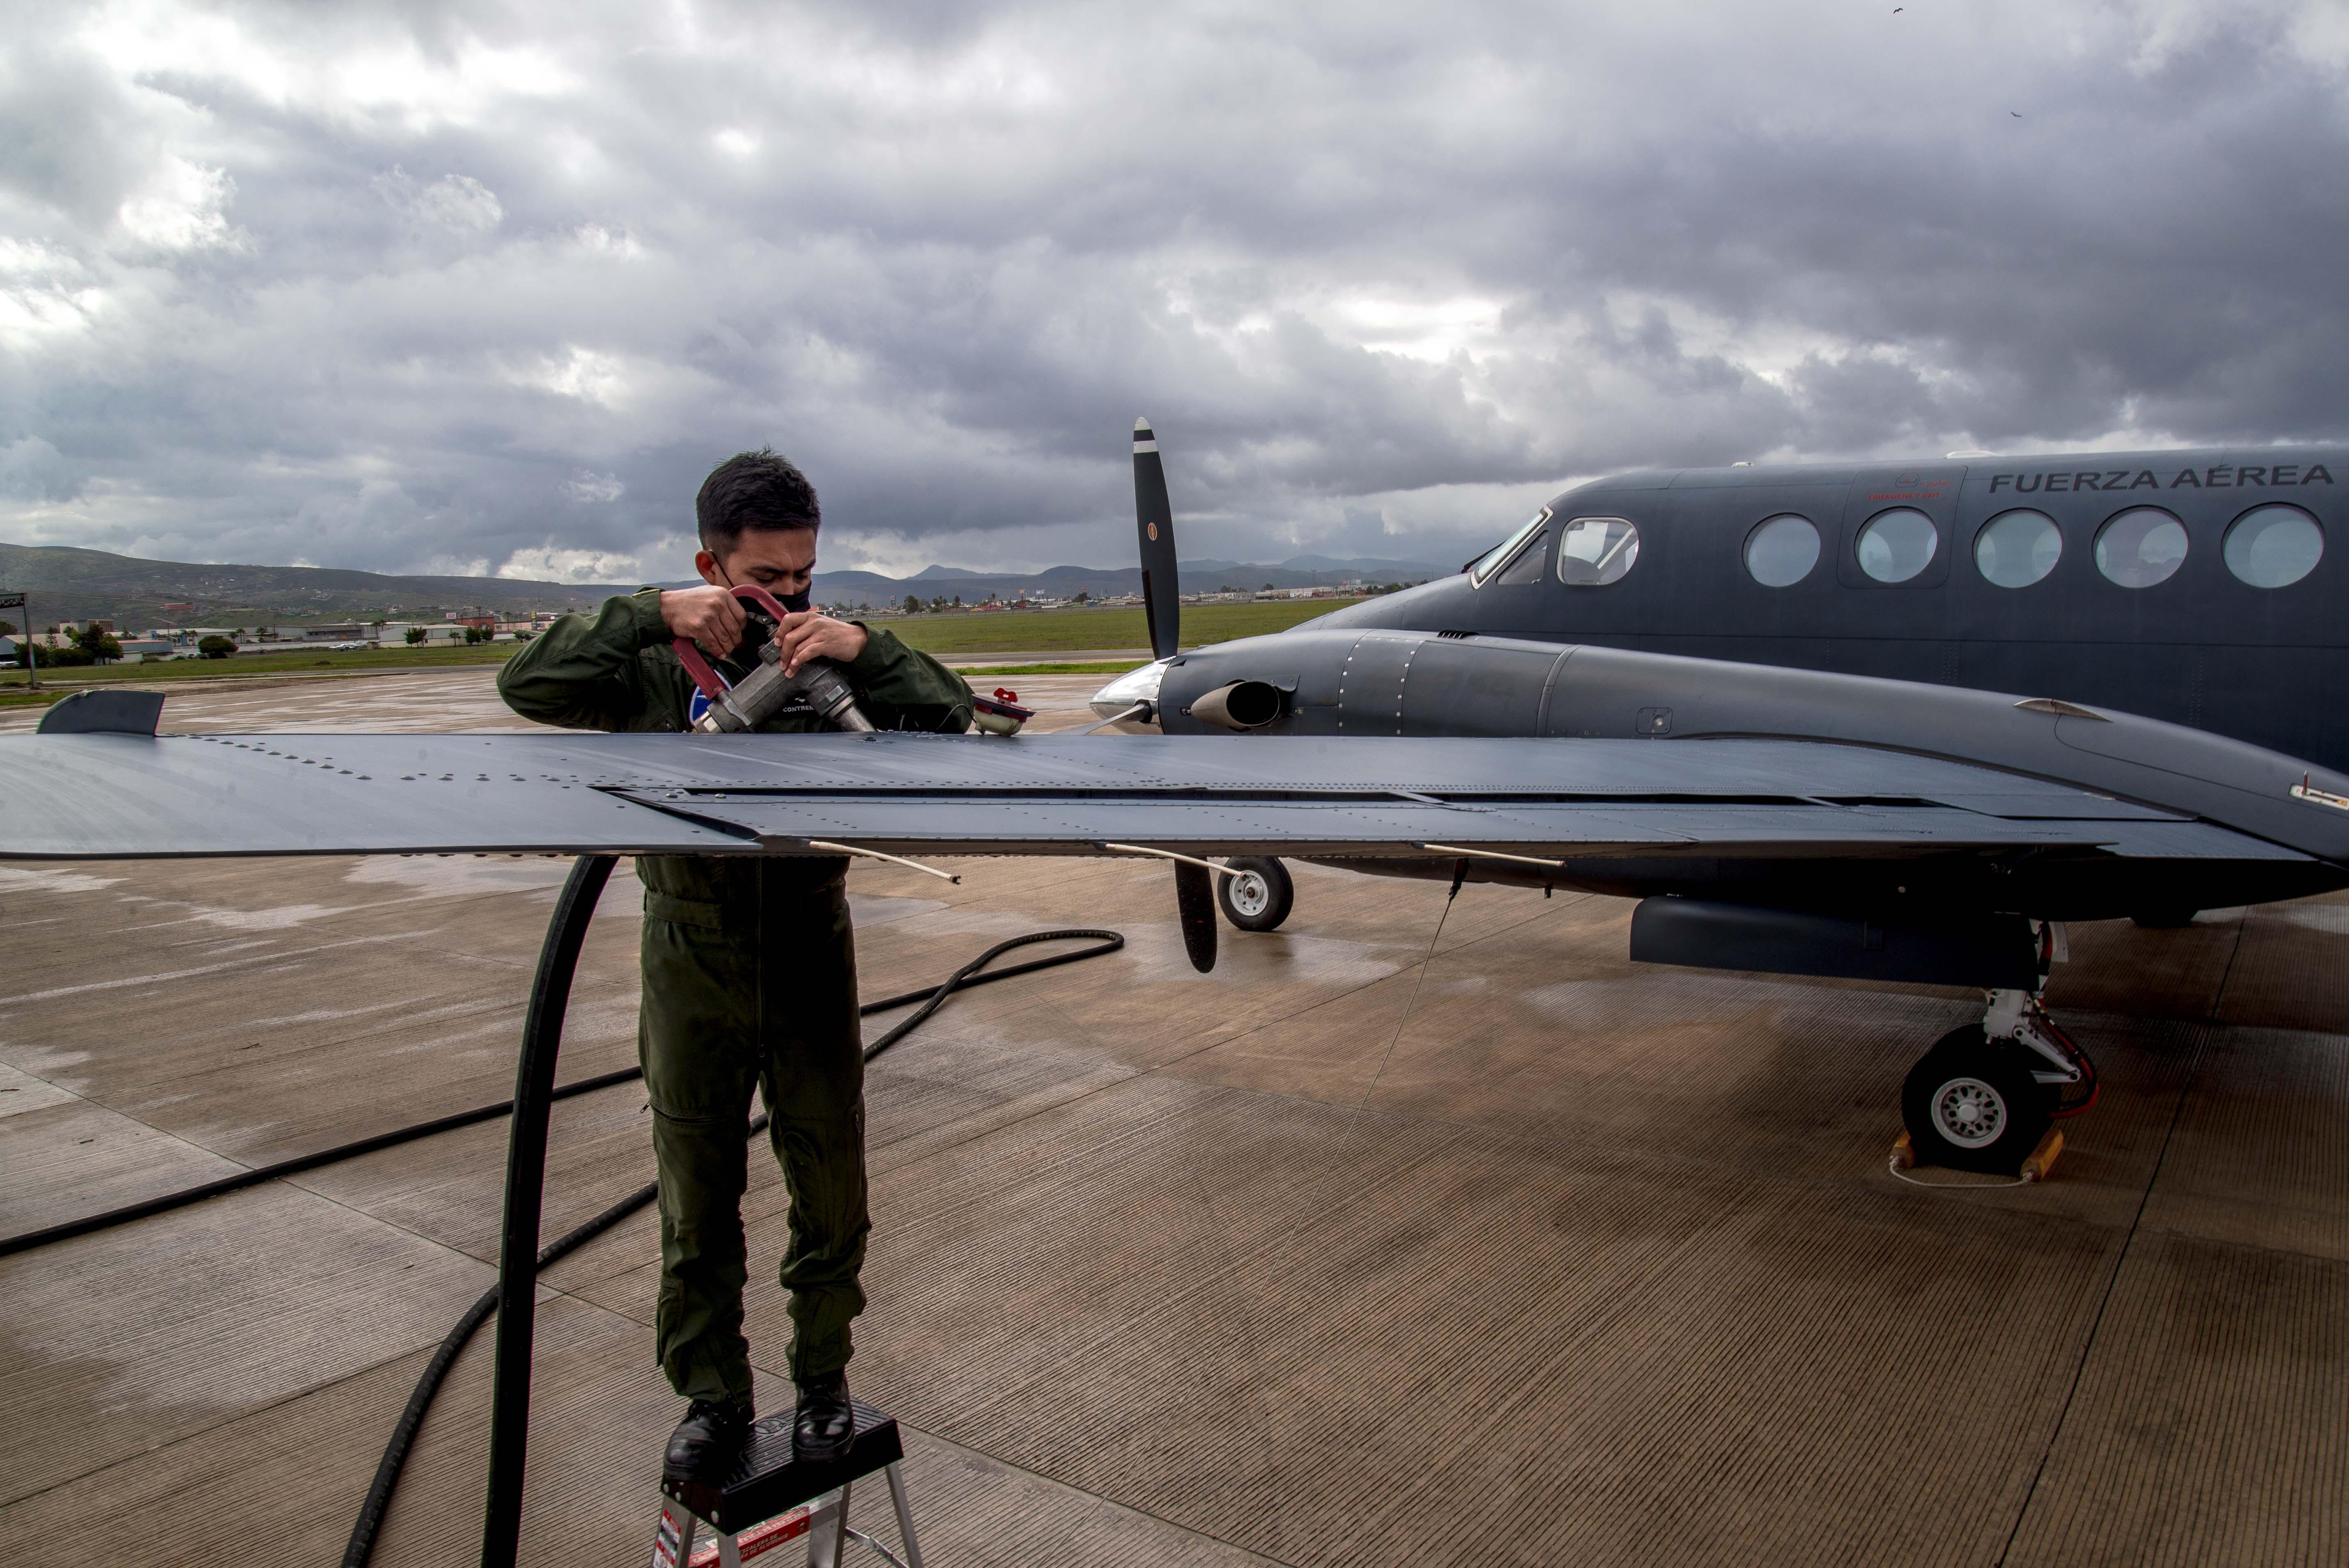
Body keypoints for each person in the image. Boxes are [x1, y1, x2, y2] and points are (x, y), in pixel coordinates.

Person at [498, 450, 972, 1481]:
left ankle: (821, 1380)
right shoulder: (647, 661)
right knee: (696, 1188)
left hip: (811, 940)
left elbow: (954, 717)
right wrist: (645, 617)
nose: (788, 597)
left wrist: (863, 647)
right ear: (709, 566)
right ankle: (713, 1397)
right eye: (766, 579)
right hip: (688, 948)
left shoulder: (834, 654)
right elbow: (524, 684)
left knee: (829, 1178)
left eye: (804, 576)